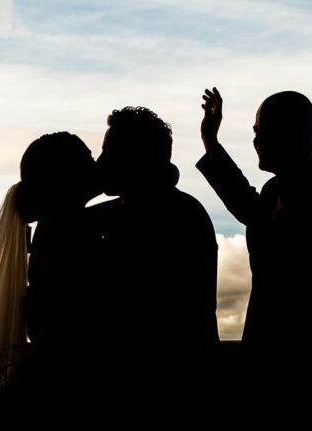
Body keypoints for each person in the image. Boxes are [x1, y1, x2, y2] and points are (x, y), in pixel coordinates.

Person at [196, 88, 312, 347]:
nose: (256, 141)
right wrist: (210, 140)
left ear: (294, 132)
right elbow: (245, 204)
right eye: (255, 132)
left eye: (261, 130)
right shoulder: (273, 191)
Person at [0, 132, 102, 429]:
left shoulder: (58, 224)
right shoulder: (70, 227)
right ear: (67, 176)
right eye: (88, 158)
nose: (96, 164)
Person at [92, 106, 219, 424]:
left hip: (160, 393)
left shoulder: (159, 218)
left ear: (135, 158)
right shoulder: (181, 209)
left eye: (109, 151)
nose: (101, 162)